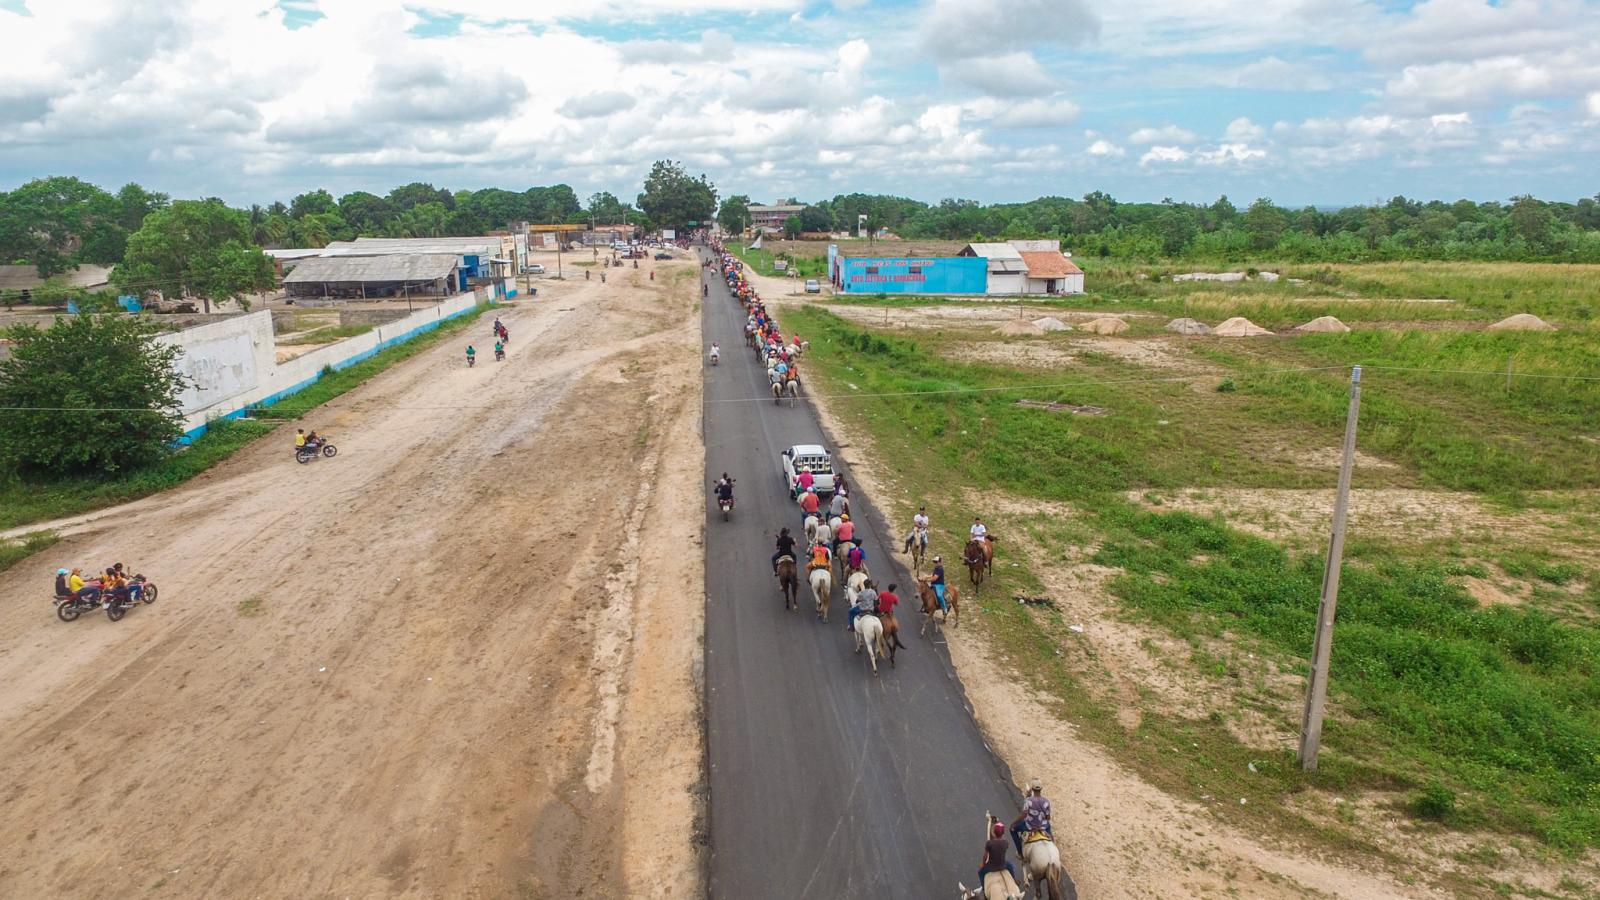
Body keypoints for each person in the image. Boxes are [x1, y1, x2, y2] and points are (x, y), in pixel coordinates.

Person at [1010, 779, 1054, 856]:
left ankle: (1020, 852)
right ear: (1041, 789)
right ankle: (1053, 846)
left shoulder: (1028, 800)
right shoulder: (1047, 801)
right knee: (1049, 830)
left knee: (1012, 830)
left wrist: (1013, 823)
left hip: (1029, 825)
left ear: (1032, 789)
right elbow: (1048, 817)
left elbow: (1023, 815)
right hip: (1043, 825)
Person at [977, 820, 1020, 892]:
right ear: (1002, 834)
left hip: (991, 866)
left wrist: (983, 864)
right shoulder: (1005, 842)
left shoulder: (989, 843)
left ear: (994, 833)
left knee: (980, 872)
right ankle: (1014, 879)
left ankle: (984, 889)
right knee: (1011, 866)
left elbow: (985, 856)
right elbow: (1007, 846)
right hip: (1003, 864)